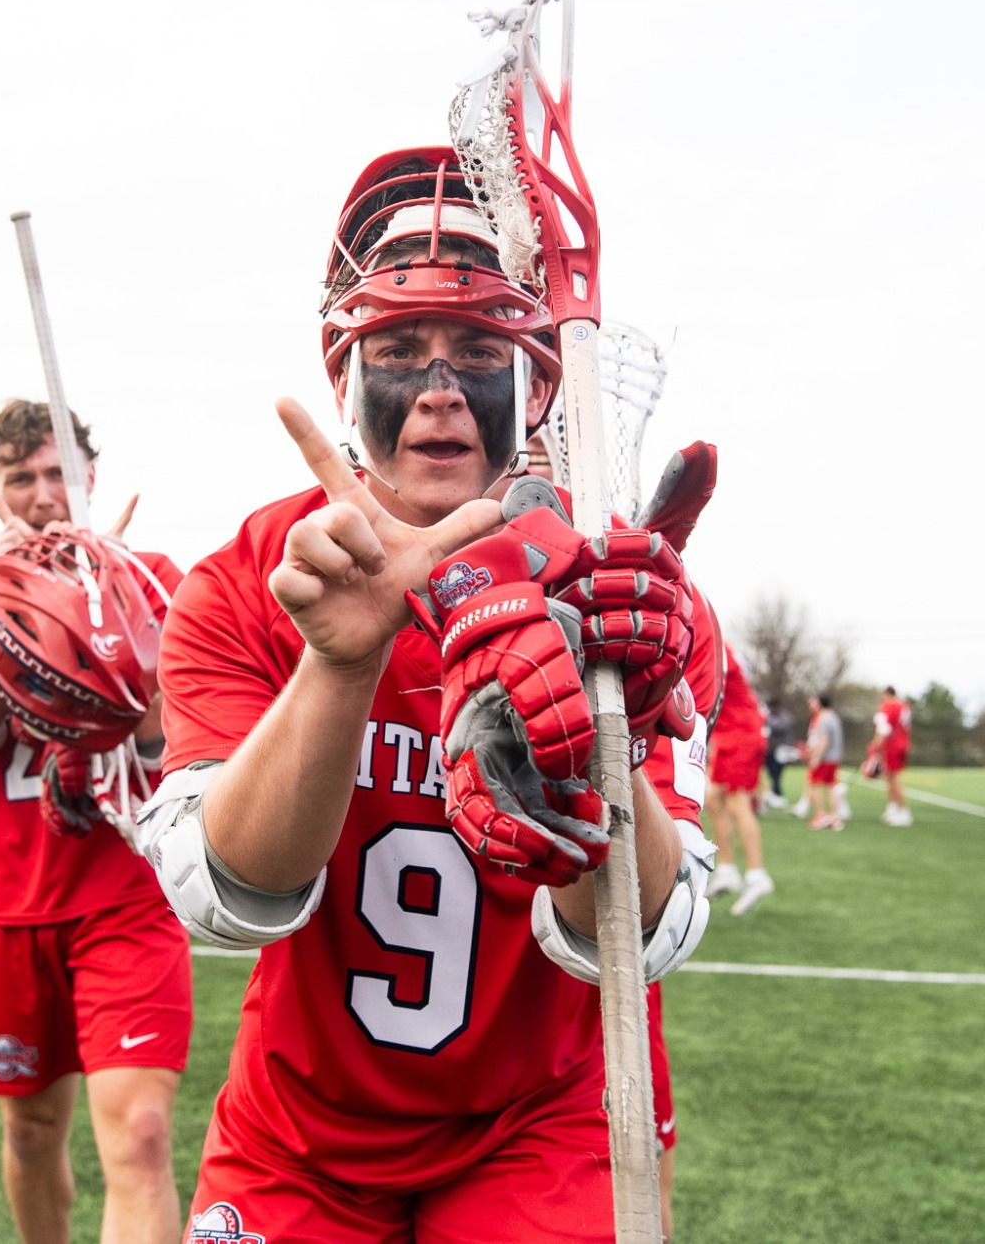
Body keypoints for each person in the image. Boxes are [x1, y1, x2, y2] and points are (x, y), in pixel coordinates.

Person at [138, 147, 721, 1239]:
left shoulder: (626, 595)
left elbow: (644, 935)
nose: (440, 390)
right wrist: (340, 661)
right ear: (344, 380)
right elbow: (227, 897)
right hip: (301, 1122)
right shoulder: (250, 579)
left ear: (538, 381)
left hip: (544, 1111)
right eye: (400, 351)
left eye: (479, 351)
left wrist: (604, 734)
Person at [0, 398, 190, 1244]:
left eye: (56, 474)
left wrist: (108, 603)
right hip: (11, 901)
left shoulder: (152, 576)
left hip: (126, 896)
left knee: (141, 1134)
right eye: (19, 479)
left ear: (89, 476)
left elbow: (173, 732)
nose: (42, 495)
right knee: (32, 1131)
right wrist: (11, 599)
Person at [706, 638, 773, 914]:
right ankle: (727, 869)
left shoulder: (717, 649)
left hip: (740, 734)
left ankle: (757, 875)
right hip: (730, 735)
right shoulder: (719, 648)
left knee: (738, 803)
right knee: (714, 798)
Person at [870, 685, 914, 827]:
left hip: (892, 746)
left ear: (886, 694)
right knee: (889, 777)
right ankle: (892, 808)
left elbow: (884, 728)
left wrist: (876, 746)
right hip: (902, 744)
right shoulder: (904, 705)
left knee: (894, 779)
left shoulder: (888, 706)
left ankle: (903, 811)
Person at [804, 693, 846, 832]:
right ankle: (835, 817)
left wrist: (816, 757)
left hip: (825, 758)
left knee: (813, 785)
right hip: (834, 758)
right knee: (831, 786)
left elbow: (824, 740)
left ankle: (821, 815)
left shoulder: (824, 718)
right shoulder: (833, 716)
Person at [761, 700, 795, 811]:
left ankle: (778, 795)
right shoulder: (769, 716)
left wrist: (767, 721)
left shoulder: (785, 717)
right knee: (771, 773)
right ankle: (774, 794)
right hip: (769, 750)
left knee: (777, 773)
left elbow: (781, 727)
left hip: (781, 751)